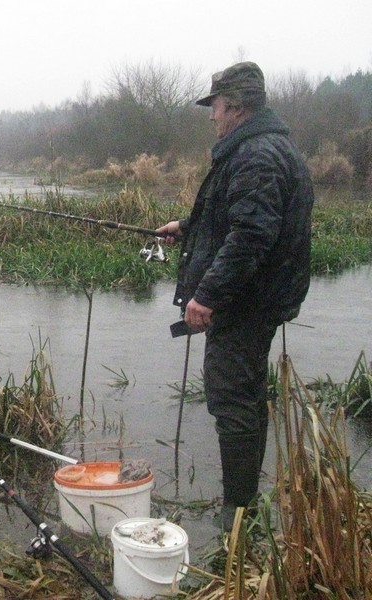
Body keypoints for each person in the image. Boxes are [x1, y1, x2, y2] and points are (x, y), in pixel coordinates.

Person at [156, 61, 314, 532]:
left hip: (247, 303)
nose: (212, 116)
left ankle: (239, 515)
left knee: (233, 400)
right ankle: (243, 505)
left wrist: (205, 297)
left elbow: (250, 236)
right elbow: (237, 216)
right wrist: (187, 227)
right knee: (243, 395)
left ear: (237, 106)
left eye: (217, 106)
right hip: (253, 298)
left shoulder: (257, 155)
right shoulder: (260, 149)